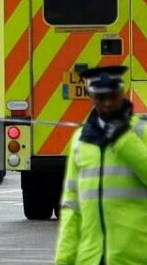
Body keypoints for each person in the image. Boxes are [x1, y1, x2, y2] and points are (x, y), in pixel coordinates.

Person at [55, 65, 147, 265]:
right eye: (100, 98)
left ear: (122, 94)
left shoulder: (142, 132)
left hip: (134, 258)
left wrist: (124, 140)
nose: (106, 104)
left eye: (112, 97)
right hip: (92, 258)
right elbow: (72, 206)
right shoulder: (81, 140)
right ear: (91, 97)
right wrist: (65, 259)